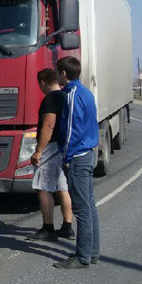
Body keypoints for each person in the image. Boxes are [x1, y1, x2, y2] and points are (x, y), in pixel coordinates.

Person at [54, 56, 100, 270]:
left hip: (77, 156)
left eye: (58, 72)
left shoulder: (72, 95)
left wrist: (66, 157)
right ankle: (92, 251)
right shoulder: (86, 92)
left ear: (63, 74)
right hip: (88, 152)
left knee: (81, 209)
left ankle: (82, 257)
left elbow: (71, 129)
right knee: (89, 206)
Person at [27, 68, 75, 242]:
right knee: (63, 188)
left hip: (50, 147)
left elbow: (48, 125)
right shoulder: (66, 96)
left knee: (43, 187)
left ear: (42, 83)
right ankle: (67, 227)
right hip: (64, 146)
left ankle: (48, 228)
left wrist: (39, 150)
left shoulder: (50, 99)